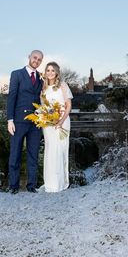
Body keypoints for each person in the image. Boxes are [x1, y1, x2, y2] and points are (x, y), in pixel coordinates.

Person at [6, 50, 44, 194]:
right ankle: (13, 186)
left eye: (40, 59)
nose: (37, 61)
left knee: (33, 154)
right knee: (15, 153)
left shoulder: (41, 79)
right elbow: (12, 97)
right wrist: (10, 120)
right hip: (18, 121)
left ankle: (31, 186)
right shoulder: (16, 74)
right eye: (35, 57)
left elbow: (43, 99)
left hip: (35, 123)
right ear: (29, 57)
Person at [41, 61, 73, 193]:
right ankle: (49, 183)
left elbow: (68, 105)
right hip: (48, 123)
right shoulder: (43, 88)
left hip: (62, 121)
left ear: (57, 73)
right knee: (50, 150)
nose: (50, 73)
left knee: (60, 150)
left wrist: (60, 121)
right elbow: (43, 106)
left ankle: (60, 183)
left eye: (52, 70)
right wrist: (44, 117)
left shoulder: (63, 86)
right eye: (48, 70)